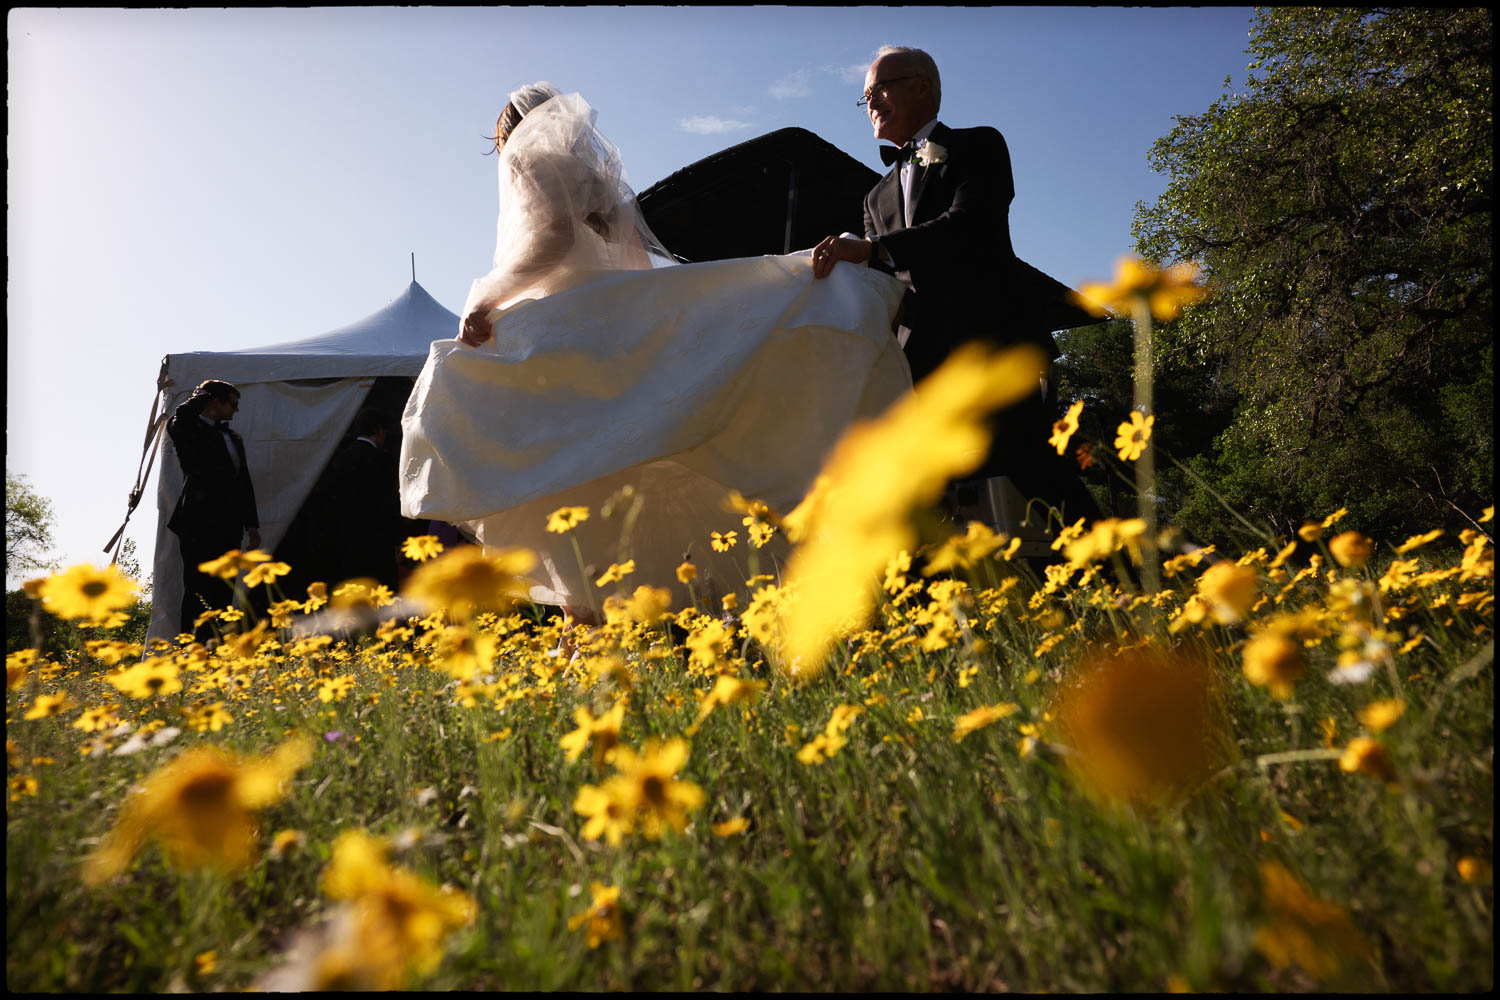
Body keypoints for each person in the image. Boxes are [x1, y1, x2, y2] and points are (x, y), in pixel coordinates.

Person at [400, 82, 912, 616]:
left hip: (566, 333)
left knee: (492, 411)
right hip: (604, 331)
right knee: (618, 467)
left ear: (511, 134)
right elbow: (637, 269)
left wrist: (488, 300)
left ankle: (590, 626)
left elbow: (551, 239)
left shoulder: (529, 161)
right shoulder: (600, 187)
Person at [811, 46, 1098, 528]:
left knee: (1036, 470)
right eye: (865, 98)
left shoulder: (979, 145)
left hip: (992, 346)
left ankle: (1134, 581)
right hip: (917, 366)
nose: (872, 104)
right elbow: (880, 283)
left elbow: (970, 225)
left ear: (922, 86)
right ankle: (935, 599)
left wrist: (873, 249)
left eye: (879, 89)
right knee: (919, 490)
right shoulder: (874, 196)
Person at [166, 379, 260, 640]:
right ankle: (191, 648)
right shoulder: (187, 428)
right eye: (232, 403)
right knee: (197, 588)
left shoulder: (232, 437)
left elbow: (243, 481)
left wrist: (252, 525)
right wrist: (202, 395)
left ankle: (216, 646)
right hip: (198, 522)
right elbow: (180, 417)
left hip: (229, 524)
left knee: (223, 589)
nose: (236, 410)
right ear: (214, 402)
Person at [316, 408, 406, 590]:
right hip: (378, 537)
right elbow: (390, 502)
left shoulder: (341, 458)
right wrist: (398, 538)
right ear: (379, 430)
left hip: (347, 535)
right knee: (380, 587)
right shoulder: (383, 460)